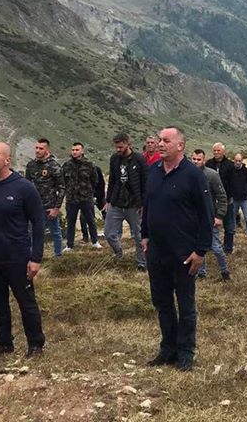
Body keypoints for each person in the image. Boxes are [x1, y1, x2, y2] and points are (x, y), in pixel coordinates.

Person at [141, 127, 213, 371]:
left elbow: (206, 214)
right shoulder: (153, 172)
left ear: (180, 145)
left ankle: (185, 351)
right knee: (161, 302)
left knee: (185, 304)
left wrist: (201, 251)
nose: (160, 144)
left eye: (165, 141)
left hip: (184, 252)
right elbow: (148, 205)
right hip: (156, 251)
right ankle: (168, 348)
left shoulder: (193, 175)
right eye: (159, 140)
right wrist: (144, 235)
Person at [0, 142, 46, 358]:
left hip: (17, 258)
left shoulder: (24, 188)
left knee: (26, 302)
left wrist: (36, 257)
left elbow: (38, 223)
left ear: (7, 160)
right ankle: (3, 344)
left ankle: (36, 345)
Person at [104, 132, 148, 270]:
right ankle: (118, 253)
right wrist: (108, 200)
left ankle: (142, 262)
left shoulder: (139, 159)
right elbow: (112, 180)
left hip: (134, 204)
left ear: (128, 144)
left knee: (139, 235)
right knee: (108, 233)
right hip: (117, 202)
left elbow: (146, 182)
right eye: (116, 147)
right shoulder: (114, 159)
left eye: (121, 147)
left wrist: (144, 203)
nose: (118, 150)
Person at [191, 149, 230, 281]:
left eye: (198, 159)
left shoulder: (211, 175)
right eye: (194, 159)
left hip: (209, 218)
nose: (196, 162)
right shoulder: (187, 174)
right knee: (197, 246)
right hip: (193, 218)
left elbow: (222, 196)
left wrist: (219, 216)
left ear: (204, 160)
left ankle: (225, 273)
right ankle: (201, 272)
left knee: (216, 247)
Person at [25, 138, 65, 258]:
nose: (37, 150)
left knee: (55, 232)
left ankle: (58, 256)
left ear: (47, 150)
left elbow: (62, 188)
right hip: (34, 206)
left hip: (49, 206)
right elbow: (26, 185)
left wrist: (56, 208)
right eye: (36, 148)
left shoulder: (54, 166)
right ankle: (34, 256)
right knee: (32, 232)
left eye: (41, 148)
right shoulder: (31, 165)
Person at [62, 142, 101, 251]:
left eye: (77, 150)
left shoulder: (89, 164)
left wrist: (89, 192)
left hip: (85, 198)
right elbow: (63, 181)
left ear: (82, 151)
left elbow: (95, 180)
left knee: (90, 221)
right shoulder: (67, 165)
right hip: (71, 199)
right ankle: (69, 245)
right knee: (71, 222)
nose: (74, 152)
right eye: (73, 150)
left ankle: (95, 241)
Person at [206, 143, 236, 252]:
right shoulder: (208, 164)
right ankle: (210, 245)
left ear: (223, 152)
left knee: (229, 226)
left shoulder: (230, 165)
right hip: (212, 200)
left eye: (218, 151)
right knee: (209, 224)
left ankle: (228, 247)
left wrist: (229, 195)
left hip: (227, 200)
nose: (216, 153)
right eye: (214, 151)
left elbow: (234, 183)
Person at [229, 153, 247, 236]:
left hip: (244, 199)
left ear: (242, 161)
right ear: (234, 161)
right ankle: (233, 231)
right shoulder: (231, 171)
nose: (238, 162)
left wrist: (246, 191)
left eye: (239, 161)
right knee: (232, 217)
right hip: (234, 198)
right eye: (236, 161)